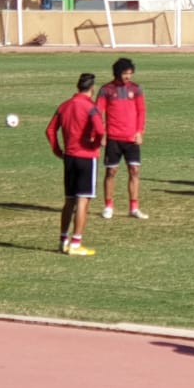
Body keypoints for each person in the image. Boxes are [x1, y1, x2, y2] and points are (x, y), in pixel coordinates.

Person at [46, 73, 105, 257]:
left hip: (69, 158)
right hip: (86, 157)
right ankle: (76, 242)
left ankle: (63, 240)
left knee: (69, 201)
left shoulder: (64, 106)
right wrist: (95, 145)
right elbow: (100, 130)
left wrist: (57, 150)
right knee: (83, 200)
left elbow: (50, 130)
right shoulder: (90, 107)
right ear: (92, 88)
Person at [97, 57, 148, 219]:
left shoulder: (136, 89)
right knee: (111, 171)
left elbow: (141, 112)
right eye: (126, 73)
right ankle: (108, 206)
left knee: (134, 170)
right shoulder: (106, 90)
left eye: (130, 74)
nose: (128, 77)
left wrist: (139, 131)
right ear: (118, 73)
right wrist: (102, 134)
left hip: (131, 138)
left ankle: (134, 207)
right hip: (113, 137)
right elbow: (98, 113)